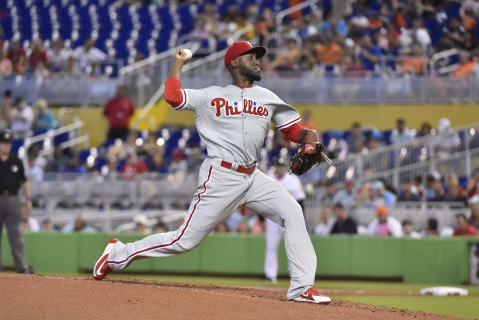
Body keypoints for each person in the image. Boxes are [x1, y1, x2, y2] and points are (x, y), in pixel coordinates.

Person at [93, 42, 331, 304]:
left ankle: (301, 288)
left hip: (253, 177)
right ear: (233, 64)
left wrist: (310, 135)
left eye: (257, 57)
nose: (256, 61)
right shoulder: (210, 95)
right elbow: (173, 97)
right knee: (183, 240)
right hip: (221, 176)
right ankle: (116, 254)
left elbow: (292, 131)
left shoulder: (266, 96)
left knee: (293, 212)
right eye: (250, 57)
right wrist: (178, 62)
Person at [263, 157, 306, 283]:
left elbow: (301, 200)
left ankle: (295, 276)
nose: (280, 168)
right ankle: (270, 275)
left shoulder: (293, 180)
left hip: (289, 217)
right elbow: (260, 199)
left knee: (292, 246)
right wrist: (261, 217)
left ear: (286, 166)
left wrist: (301, 219)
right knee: (271, 246)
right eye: (278, 165)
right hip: (272, 216)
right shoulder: (268, 178)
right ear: (275, 166)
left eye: (282, 165)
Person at [0, 130, 32, 273]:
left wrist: (28, 199)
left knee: (16, 236)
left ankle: (21, 268)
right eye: (3, 143)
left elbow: (24, 181)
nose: (6, 146)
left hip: (13, 200)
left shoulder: (16, 161)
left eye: (8, 143)